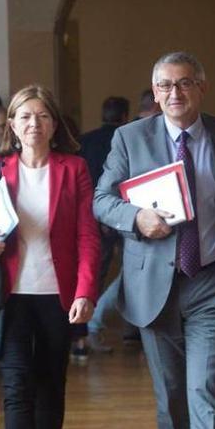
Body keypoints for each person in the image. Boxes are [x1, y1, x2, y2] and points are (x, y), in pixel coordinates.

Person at [94, 51, 215, 429]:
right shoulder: (130, 139)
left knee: (205, 390)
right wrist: (136, 219)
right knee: (171, 399)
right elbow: (102, 201)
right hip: (153, 287)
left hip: (214, 281)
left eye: (184, 83)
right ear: (154, 93)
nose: (175, 93)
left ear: (201, 88)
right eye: (165, 85)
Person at [0, 84, 100, 429]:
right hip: (10, 296)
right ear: (11, 123)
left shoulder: (73, 168)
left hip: (58, 296)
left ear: (54, 124)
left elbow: (87, 235)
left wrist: (86, 291)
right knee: (15, 388)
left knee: (50, 387)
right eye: (25, 116)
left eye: (42, 116)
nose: (33, 124)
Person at [78, 96, 130, 353]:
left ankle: (84, 332)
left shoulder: (85, 141)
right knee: (132, 271)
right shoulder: (128, 137)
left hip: (93, 215)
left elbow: (85, 183)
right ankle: (95, 327)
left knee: (94, 275)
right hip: (126, 214)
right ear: (125, 115)